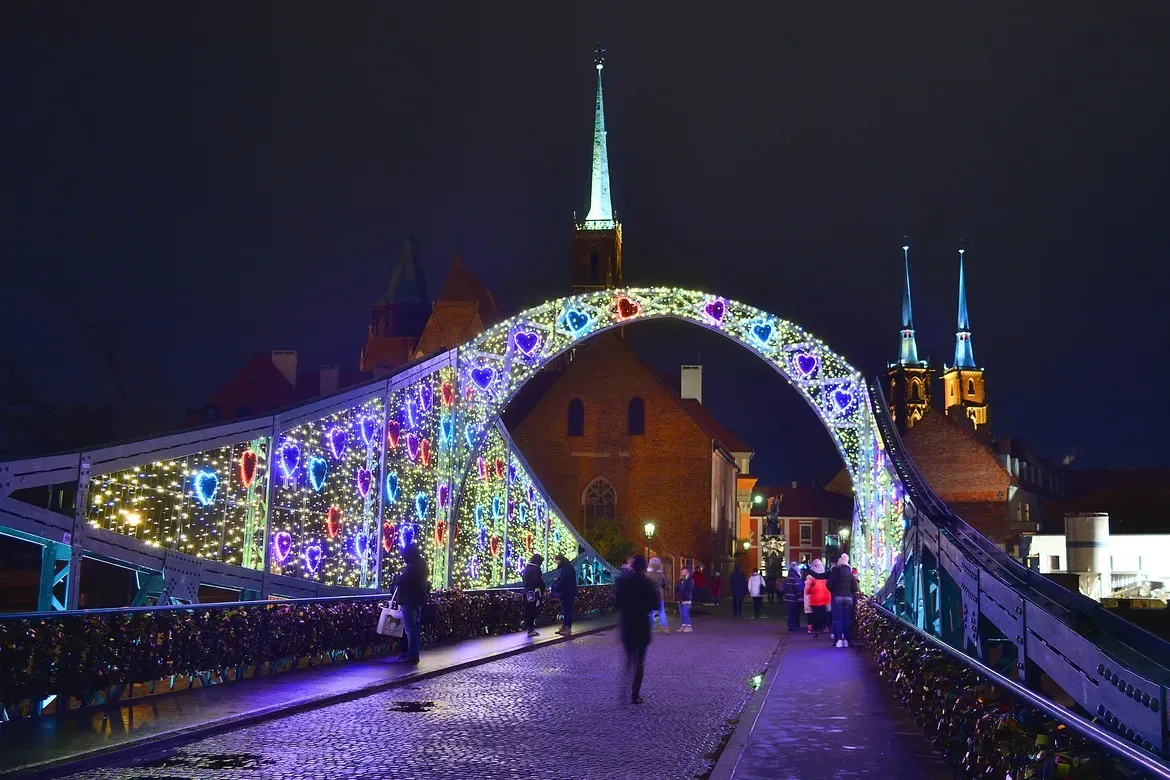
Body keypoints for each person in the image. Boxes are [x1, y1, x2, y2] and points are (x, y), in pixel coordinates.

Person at [615, 554, 658, 704]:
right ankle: (635, 694)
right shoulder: (648, 584)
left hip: (627, 623)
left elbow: (617, 604)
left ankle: (623, 688)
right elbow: (655, 605)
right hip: (641, 624)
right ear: (644, 567)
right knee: (639, 661)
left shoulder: (622, 582)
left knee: (628, 658)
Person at [393, 543, 429, 664]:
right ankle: (414, 653)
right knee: (415, 628)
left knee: (409, 629)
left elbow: (404, 580)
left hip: (409, 601)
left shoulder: (412, 567)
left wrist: (396, 578)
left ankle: (412, 654)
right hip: (418, 600)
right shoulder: (421, 564)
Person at [829, 553, 860, 647]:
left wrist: (834, 591)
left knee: (838, 619)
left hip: (837, 597)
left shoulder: (834, 572)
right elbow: (855, 588)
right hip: (848, 597)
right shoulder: (850, 574)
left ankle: (838, 640)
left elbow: (829, 585)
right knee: (847, 619)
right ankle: (846, 640)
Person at [804, 558, 831, 638]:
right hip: (823, 599)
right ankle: (821, 628)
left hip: (815, 600)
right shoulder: (825, 577)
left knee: (815, 616)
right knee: (822, 615)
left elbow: (807, 591)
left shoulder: (811, 578)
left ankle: (816, 630)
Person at [553, 554, 578, 636]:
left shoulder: (566, 568)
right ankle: (565, 626)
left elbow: (564, 581)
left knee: (567, 610)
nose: (556, 562)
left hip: (567, 592)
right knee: (566, 610)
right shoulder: (567, 567)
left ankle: (567, 627)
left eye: (556, 561)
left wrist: (556, 588)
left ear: (560, 560)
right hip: (568, 592)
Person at [521, 553, 546, 637]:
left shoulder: (526, 568)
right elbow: (539, 582)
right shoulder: (536, 569)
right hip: (534, 592)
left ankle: (529, 628)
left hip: (527, 591)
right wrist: (542, 590)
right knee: (533, 610)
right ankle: (531, 629)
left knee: (528, 610)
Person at [646, 557, 671, 633]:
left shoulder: (647, 575)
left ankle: (650, 627)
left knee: (650, 612)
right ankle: (665, 627)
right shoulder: (661, 575)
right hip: (659, 595)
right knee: (661, 611)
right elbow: (665, 585)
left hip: (649, 596)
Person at [782, 561, 804, 631]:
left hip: (787, 598)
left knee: (789, 613)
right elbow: (798, 588)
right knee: (795, 613)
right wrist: (800, 597)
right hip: (794, 599)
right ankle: (794, 626)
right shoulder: (795, 578)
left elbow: (783, 588)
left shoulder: (787, 578)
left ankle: (790, 626)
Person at [676, 567, 694, 632]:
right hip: (680, 599)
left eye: (684, 572)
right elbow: (677, 588)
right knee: (681, 613)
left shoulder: (690, 580)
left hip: (686, 599)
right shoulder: (681, 580)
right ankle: (683, 625)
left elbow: (689, 589)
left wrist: (685, 595)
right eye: (682, 572)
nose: (682, 573)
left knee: (685, 612)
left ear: (687, 572)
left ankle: (688, 626)